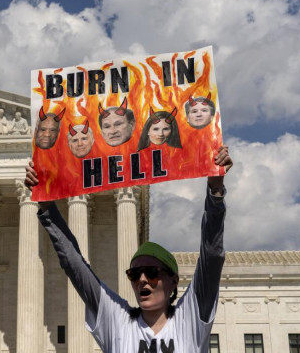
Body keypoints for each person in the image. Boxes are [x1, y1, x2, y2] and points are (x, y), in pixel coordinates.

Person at [24, 145, 232, 353]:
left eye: (151, 273)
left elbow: (211, 256)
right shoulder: (117, 321)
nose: (142, 280)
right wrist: (46, 204)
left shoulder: (190, 320)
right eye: (134, 274)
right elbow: (74, 265)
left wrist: (215, 190)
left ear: (173, 282)